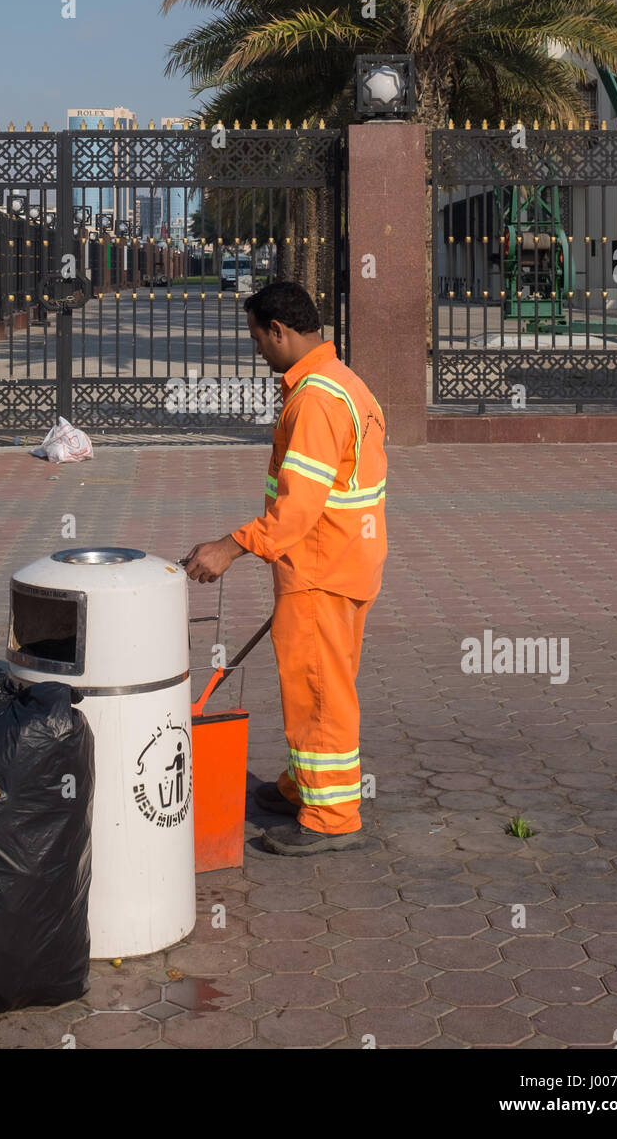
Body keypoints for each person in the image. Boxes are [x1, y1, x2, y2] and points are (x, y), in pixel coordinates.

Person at [181, 281, 387, 856]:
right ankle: (306, 783)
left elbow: (296, 509)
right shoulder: (345, 383)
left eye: (256, 338)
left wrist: (229, 546)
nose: (256, 351)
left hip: (320, 569)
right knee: (322, 683)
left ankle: (331, 816)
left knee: (319, 692)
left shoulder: (316, 400)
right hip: (347, 563)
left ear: (280, 331)